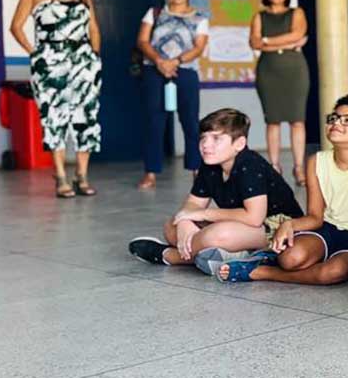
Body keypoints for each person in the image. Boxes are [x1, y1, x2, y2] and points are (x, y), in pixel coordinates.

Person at [213, 95, 348, 284]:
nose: (337, 123)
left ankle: (261, 272)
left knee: (333, 272)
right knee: (290, 258)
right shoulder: (316, 161)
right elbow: (315, 216)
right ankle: (273, 257)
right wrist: (289, 225)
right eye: (333, 118)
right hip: (328, 228)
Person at [127, 108, 304, 270]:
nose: (206, 145)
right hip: (243, 225)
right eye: (203, 138)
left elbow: (254, 218)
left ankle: (170, 256)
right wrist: (184, 224)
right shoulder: (210, 165)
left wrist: (203, 215)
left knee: (217, 235)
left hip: (276, 227)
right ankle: (227, 254)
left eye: (216, 138)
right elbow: (192, 204)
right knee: (171, 224)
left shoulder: (249, 164)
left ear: (239, 144)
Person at [8, 0, 102, 198]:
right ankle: (60, 176)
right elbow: (15, 26)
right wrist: (36, 54)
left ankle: (82, 175)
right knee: (54, 118)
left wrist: (95, 56)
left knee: (86, 119)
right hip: (49, 62)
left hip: (83, 63)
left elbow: (92, 27)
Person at [135, 0, 209, 190]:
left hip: (185, 72)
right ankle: (150, 173)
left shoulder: (200, 18)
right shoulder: (154, 13)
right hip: (154, 70)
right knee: (154, 122)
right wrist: (159, 61)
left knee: (191, 123)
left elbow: (198, 48)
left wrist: (174, 62)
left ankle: (197, 170)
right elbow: (142, 40)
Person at [250, 0, 310, 186]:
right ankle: (274, 167)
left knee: (297, 121)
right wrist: (283, 44)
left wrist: (268, 42)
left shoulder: (297, 13)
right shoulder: (259, 16)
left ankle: (299, 168)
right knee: (272, 121)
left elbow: (297, 34)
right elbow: (255, 43)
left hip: (295, 72)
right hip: (268, 72)